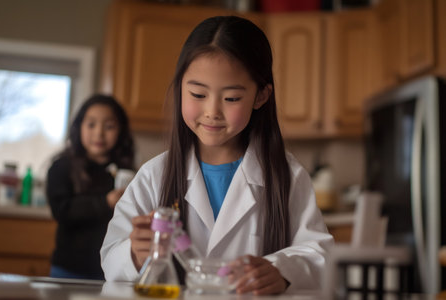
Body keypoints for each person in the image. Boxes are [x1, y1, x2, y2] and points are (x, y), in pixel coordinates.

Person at [101, 16, 333, 294]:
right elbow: (111, 260)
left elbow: (320, 254)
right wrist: (136, 254)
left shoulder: (288, 176)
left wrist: (281, 270)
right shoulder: (154, 176)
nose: (212, 111)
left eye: (231, 98)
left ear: (260, 96)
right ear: (180, 89)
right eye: (198, 94)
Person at [47, 94, 135, 280]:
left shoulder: (127, 172)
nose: (99, 133)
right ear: (79, 127)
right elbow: (61, 211)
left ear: (121, 131)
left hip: (112, 272)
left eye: (109, 126)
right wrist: (106, 202)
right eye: (91, 124)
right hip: (68, 269)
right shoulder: (62, 167)